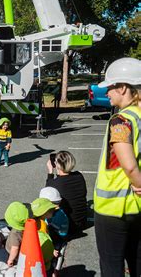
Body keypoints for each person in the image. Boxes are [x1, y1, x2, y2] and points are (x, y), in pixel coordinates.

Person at [93, 57, 141, 277]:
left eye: (111, 87)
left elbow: (129, 166)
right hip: (137, 206)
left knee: (112, 266)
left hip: (113, 207)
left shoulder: (120, 121)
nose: (108, 92)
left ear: (123, 88)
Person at [45, 151, 87, 234]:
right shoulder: (79, 175)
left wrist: (50, 171)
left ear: (57, 165)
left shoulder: (54, 183)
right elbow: (64, 180)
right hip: (82, 222)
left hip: (66, 226)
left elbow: (47, 196)